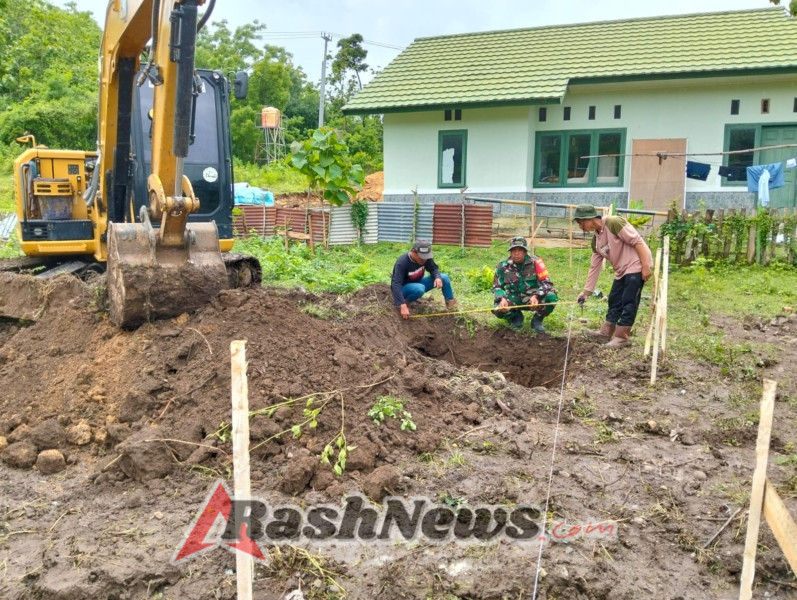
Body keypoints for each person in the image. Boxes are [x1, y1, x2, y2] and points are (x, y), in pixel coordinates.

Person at [573, 205, 653, 348]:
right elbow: (594, 267)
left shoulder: (613, 222)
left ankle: (622, 337)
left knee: (629, 300)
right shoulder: (596, 240)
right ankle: (605, 332)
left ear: (589, 218)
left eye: (580, 222)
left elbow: (637, 241)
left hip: (636, 265)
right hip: (621, 270)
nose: (580, 226)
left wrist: (645, 266)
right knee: (614, 299)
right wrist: (586, 292)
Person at [492, 236, 557, 333]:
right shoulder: (502, 265)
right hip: (514, 298)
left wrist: (536, 296)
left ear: (525, 251)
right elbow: (497, 286)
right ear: (510, 251)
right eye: (513, 250)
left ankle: (537, 321)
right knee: (497, 309)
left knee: (551, 297)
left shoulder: (536, 262)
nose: (516, 253)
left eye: (520, 250)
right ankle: (515, 317)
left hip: (533, 299)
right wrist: (502, 298)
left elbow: (547, 283)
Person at [391, 239, 456, 319]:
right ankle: (407, 302)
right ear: (413, 252)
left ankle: (451, 307)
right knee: (420, 288)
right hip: (404, 289)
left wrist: (437, 277)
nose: (424, 260)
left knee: (444, 277)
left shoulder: (426, 259)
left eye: (426, 257)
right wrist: (402, 304)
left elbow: (433, 269)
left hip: (418, 283)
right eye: (422, 257)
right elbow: (396, 284)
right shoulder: (402, 262)